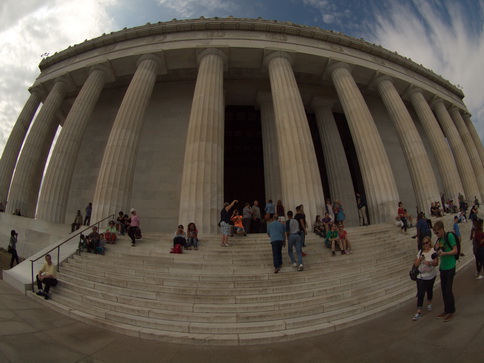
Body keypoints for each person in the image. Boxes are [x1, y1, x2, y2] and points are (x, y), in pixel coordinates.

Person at [433, 220, 457, 322]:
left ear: (442, 230)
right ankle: (446, 310)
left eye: (437, 232)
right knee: (443, 290)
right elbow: (438, 251)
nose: (436, 234)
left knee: (448, 289)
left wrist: (445, 253)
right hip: (443, 267)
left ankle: (452, 310)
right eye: (435, 233)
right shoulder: (440, 240)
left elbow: (455, 250)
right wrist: (437, 249)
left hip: (451, 265)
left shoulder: (449, 236)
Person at [412, 236, 439, 321]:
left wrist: (430, 262)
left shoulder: (433, 251)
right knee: (420, 293)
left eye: (427, 242)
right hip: (421, 277)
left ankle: (429, 302)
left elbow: (436, 263)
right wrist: (420, 259)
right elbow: (416, 264)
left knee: (429, 290)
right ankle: (418, 311)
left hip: (430, 276)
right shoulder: (420, 252)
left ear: (429, 242)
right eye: (424, 243)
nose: (425, 245)